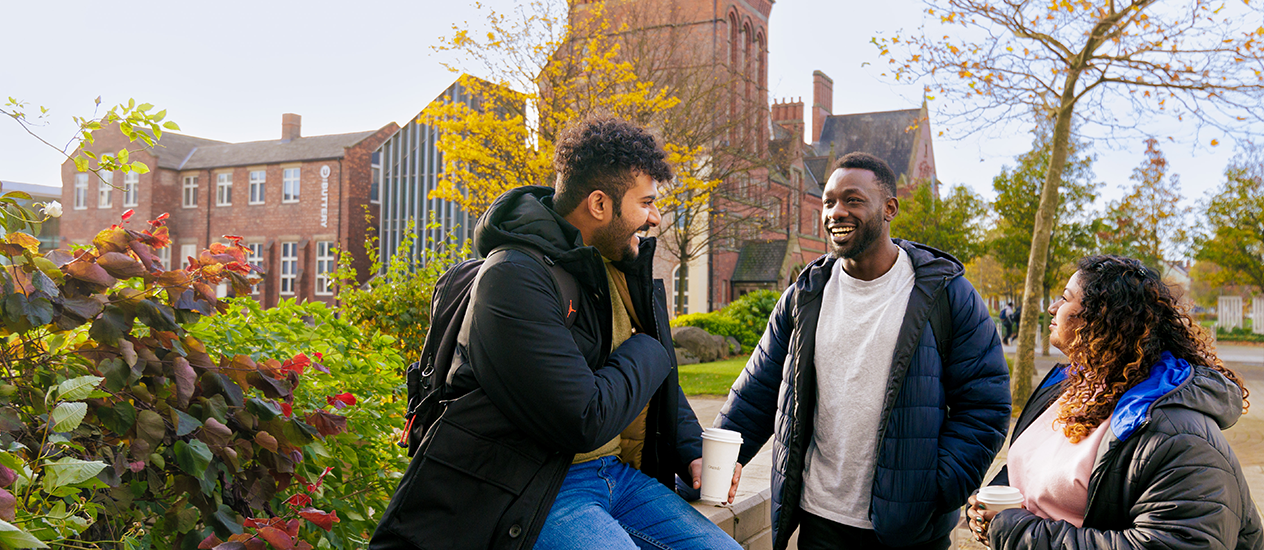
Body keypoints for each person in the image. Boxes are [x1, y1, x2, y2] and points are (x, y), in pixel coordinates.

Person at [371, 117, 740, 550]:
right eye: (647, 203)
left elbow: (655, 385)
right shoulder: (513, 277)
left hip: (617, 474)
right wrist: (653, 349)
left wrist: (689, 448)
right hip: (540, 482)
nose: (656, 218)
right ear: (599, 204)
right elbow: (583, 418)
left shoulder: (619, 265)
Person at [713, 152, 1012, 550]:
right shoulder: (805, 295)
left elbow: (985, 407)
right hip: (821, 521)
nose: (837, 212)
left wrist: (935, 490)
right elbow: (757, 390)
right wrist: (711, 461)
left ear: (889, 209)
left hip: (912, 529)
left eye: (853, 200)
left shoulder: (947, 294)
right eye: (829, 201)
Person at [966, 255, 1263, 549]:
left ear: (1102, 320)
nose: (1051, 307)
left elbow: (1176, 543)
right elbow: (1030, 471)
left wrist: (1013, 531)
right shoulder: (1070, 388)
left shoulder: (1180, 435)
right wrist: (989, 508)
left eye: (1065, 298)